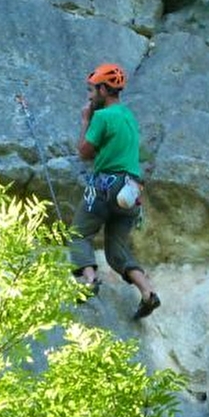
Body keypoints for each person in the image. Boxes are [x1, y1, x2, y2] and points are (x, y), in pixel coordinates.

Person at [70, 62, 161, 319]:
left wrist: (86, 120)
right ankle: (147, 292)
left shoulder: (101, 117)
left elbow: (84, 153)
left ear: (104, 89)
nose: (89, 96)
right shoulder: (128, 117)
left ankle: (89, 281)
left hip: (106, 185)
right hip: (131, 190)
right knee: (116, 250)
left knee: (78, 233)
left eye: (91, 90)